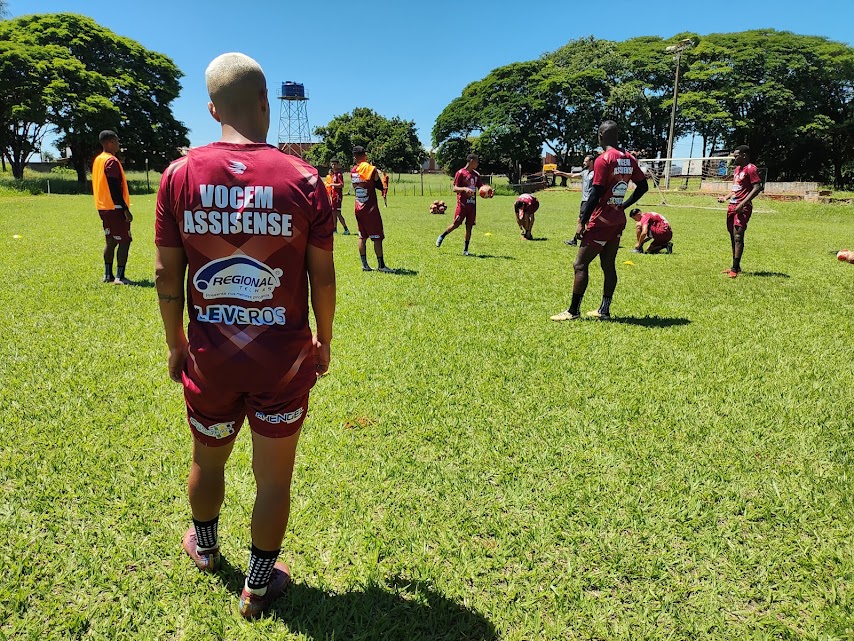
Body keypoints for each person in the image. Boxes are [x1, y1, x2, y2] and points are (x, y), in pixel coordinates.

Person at [153, 52, 336, 619]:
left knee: (207, 462)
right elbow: (322, 275)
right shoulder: (304, 179)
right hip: (282, 360)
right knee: (273, 478)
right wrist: (323, 340)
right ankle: (258, 586)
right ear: (266, 104)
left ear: (211, 109)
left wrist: (175, 343)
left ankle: (205, 550)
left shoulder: (179, 175)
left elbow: (166, 272)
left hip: (209, 359)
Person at [551, 121, 648, 321]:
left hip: (601, 219)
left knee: (579, 264)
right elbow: (643, 186)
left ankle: (573, 311)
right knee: (608, 265)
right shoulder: (629, 158)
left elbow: (595, 192)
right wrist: (624, 205)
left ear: (601, 135)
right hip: (617, 219)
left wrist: (582, 220)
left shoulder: (603, 159)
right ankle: (604, 310)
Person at [92, 130, 133, 284]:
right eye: (116, 141)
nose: (118, 144)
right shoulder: (111, 161)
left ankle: (108, 275)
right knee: (124, 240)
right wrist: (125, 209)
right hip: (115, 207)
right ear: (110, 142)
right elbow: (114, 187)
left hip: (103, 207)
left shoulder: (98, 160)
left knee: (111, 241)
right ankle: (120, 277)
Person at [718, 145, 762, 278]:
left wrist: (743, 203)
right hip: (732, 205)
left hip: (742, 207)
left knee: (738, 236)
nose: (734, 158)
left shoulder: (751, 169)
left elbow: (758, 187)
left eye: (736, 155)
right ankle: (736, 266)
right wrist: (725, 197)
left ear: (743, 155)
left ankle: (734, 269)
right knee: (732, 235)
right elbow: (736, 189)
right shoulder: (737, 170)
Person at [351, 146, 392, 272]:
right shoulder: (371, 169)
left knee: (362, 236)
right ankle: (381, 266)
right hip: (370, 208)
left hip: (358, 206)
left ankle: (365, 265)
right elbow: (379, 186)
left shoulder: (353, 171)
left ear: (354, 157)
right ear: (365, 155)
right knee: (377, 237)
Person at [436, 153, 482, 256]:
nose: (478, 163)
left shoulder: (476, 175)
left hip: (472, 205)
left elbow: (481, 188)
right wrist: (464, 189)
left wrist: (488, 192)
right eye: (476, 161)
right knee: (456, 224)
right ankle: (442, 236)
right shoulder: (461, 173)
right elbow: (454, 188)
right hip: (462, 204)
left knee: (469, 227)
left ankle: (465, 250)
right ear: (471, 161)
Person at [553, 154, 594, 246]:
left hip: (589, 200)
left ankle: (576, 239)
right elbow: (572, 176)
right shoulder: (584, 172)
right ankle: (588, 238)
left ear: (591, 162)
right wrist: (560, 173)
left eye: (586, 161)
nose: (584, 163)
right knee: (586, 221)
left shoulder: (595, 173)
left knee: (581, 220)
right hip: (584, 200)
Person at [325, 158, 350, 234]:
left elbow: (341, 185)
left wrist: (332, 184)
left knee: (338, 213)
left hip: (337, 196)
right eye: (332, 164)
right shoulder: (333, 175)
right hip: (334, 195)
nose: (333, 166)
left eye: (335, 164)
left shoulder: (339, 174)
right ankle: (335, 229)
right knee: (333, 212)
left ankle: (346, 229)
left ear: (338, 165)